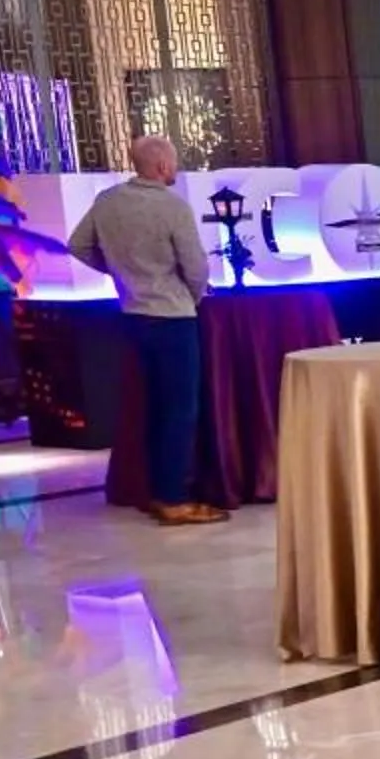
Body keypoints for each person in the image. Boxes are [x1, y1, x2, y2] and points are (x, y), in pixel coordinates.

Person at [68, 135, 225, 525]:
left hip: (132, 316)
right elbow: (196, 267)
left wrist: (118, 273)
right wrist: (190, 296)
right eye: (173, 162)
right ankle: (172, 498)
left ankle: (157, 490)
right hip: (172, 317)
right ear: (161, 167)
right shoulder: (172, 207)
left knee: (155, 407)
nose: (175, 169)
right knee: (179, 410)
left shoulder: (108, 202)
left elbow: (77, 245)